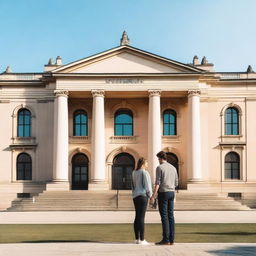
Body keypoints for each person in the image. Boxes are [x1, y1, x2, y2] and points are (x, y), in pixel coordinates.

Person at [150, 151, 178, 245]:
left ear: (161, 158)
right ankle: (172, 239)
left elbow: (157, 182)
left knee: (164, 216)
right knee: (171, 216)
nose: (158, 161)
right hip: (172, 192)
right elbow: (176, 182)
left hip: (163, 192)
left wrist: (153, 196)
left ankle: (166, 239)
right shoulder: (173, 168)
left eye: (158, 159)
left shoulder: (159, 167)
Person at [131, 157, 152, 245]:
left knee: (137, 217)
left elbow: (132, 185)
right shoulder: (144, 172)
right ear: (143, 163)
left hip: (135, 196)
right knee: (142, 217)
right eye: (146, 163)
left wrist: (134, 193)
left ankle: (137, 238)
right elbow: (148, 185)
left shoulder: (134, 172)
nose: (147, 165)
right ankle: (142, 239)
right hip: (143, 196)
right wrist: (151, 196)